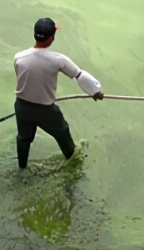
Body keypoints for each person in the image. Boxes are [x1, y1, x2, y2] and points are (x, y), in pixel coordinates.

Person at [13, 18, 104, 169]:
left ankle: (21, 167)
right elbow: (79, 75)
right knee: (62, 131)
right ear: (51, 39)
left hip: (22, 107)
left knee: (24, 138)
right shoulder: (58, 60)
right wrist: (95, 91)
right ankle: (73, 162)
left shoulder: (19, 57)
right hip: (45, 110)